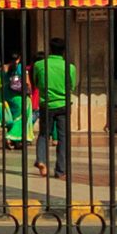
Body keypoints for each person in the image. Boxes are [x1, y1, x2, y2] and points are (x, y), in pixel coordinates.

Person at [32, 36, 77, 178]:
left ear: (50, 49)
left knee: (44, 134)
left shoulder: (39, 65)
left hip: (46, 104)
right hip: (63, 104)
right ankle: (60, 170)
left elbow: (36, 82)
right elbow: (72, 86)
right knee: (63, 138)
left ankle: (41, 160)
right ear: (63, 51)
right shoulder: (70, 67)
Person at [0, 52, 34, 151]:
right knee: (22, 118)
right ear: (19, 58)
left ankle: (17, 142)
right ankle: (9, 137)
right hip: (19, 96)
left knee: (13, 118)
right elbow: (27, 83)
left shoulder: (2, 68)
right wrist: (30, 93)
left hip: (7, 96)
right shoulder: (21, 67)